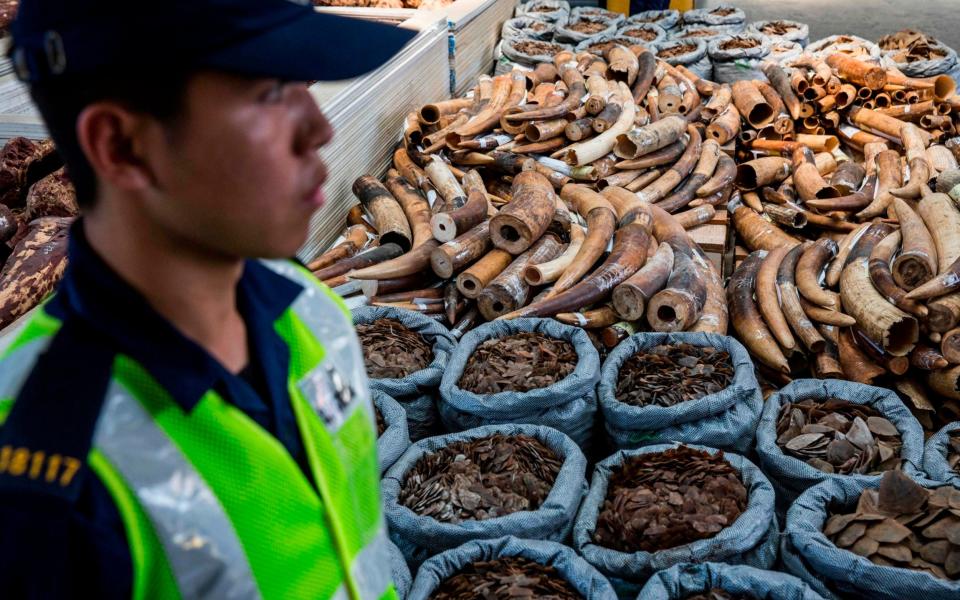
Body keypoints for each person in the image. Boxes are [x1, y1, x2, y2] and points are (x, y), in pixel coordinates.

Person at [0, 0, 416, 597]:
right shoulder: (52, 477)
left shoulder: (308, 310)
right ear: (121, 146)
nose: (318, 128)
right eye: (270, 93)